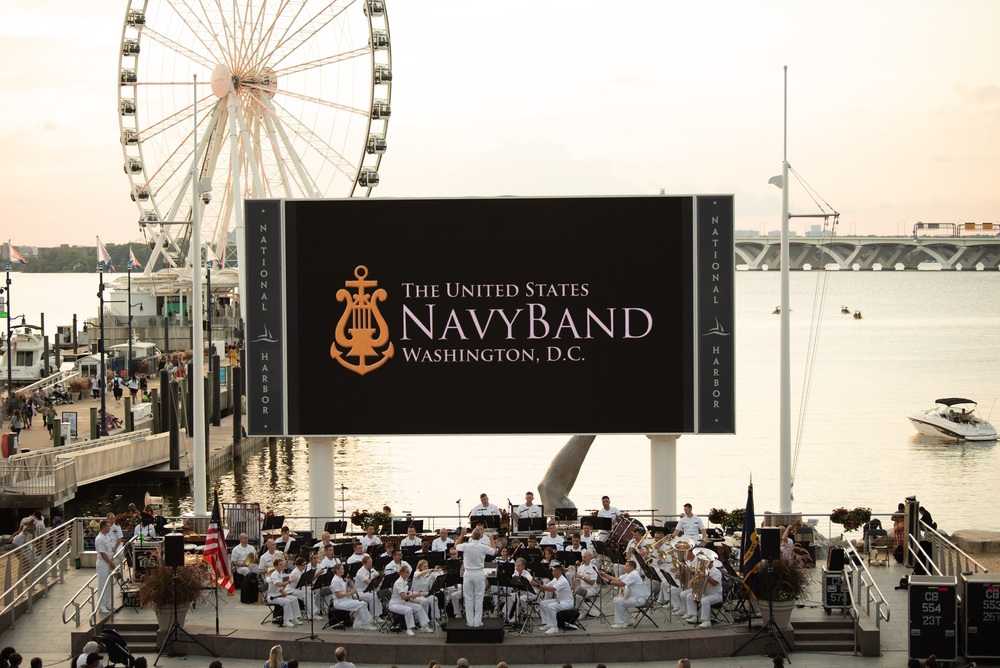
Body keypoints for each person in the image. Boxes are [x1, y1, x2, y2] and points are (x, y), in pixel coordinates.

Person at [455, 526, 496, 626]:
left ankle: (470, 621)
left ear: (472, 537)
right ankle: (477, 622)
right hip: (479, 573)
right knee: (478, 597)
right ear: (480, 536)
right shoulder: (483, 546)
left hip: (468, 573)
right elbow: (494, 551)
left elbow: (456, 546)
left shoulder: (466, 545)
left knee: (468, 598)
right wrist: (491, 539)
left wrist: (461, 535)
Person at [388, 562, 433, 635]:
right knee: (408, 610)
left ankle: (424, 626)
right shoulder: (399, 582)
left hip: (402, 603)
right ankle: (409, 629)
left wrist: (413, 595)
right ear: (402, 573)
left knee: (418, 607)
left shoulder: (404, 581)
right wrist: (415, 595)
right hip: (394, 604)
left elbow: (405, 595)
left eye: (409, 572)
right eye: (407, 572)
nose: (409, 574)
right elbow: (403, 597)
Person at [327, 563, 376, 630]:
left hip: (344, 600)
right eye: (341, 569)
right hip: (339, 602)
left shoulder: (340, 578)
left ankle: (359, 623)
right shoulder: (335, 580)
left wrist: (350, 588)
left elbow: (343, 591)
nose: (343, 570)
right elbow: (338, 595)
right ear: (337, 570)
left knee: (363, 603)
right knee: (361, 604)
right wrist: (351, 593)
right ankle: (365, 623)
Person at [601, 559, 648, 628]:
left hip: (638, 599)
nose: (624, 567)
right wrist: (604, 574)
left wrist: (608, 581)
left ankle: (621, 623)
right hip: (633, 597)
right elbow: (617, 579)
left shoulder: (633, 574)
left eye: (626, 566)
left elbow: (621, 584)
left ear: (631, 567)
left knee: (619, 601)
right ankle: (630, 619)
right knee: (615, 599)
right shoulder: (628, 574)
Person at [681, 558, 723, 628]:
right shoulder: (702, 571)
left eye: (707, 562)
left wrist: (706, 577)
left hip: (716, 595)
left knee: (704, 600)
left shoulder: (716, 571)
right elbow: (693, 584)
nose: (704, 563)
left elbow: (715, 583)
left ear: (711, 562)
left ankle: (707, 621)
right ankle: (694, 616)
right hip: (706, 593)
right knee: (690, 596)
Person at [535, 562, 574, 634]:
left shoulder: (563, 581)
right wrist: (537, 585)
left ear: (559, 572)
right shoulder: (555, 579)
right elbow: (547, 586)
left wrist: (537, 586)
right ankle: (548, 623)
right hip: (560, 600)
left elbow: (550, 589)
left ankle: (554, 627)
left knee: (551, 606)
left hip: (567, 602)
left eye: (554, 571)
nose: (552, 572)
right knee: (543, 603)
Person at [265, 557, 301, 628]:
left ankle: (294, 618)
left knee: (294, 599)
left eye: (282, 564)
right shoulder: (274, 574)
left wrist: (284, 593)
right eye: (280, 564)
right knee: (287, 602)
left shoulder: (280, 573)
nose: (282, 566)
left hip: (279, 594)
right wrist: (289, 581)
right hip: (272, 597)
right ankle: (286, 621)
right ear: (276, 566)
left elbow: (279, 587)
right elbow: (278, 584)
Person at [95, 520, 114, 614]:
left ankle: (107, 602)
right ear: (103, 528)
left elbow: (109, 550)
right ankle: (101, 605)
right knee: (102, 584)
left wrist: (112, 559)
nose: (109, 528)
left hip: (108, 561)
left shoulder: (106, 537)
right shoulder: (99, 539)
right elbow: (103, 553)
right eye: (107, 526)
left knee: (108, 583)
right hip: (103, 563)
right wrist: (111, 562)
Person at [573, 550, 600, 615]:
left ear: (590, 558)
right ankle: (574, 611)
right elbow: (577, 580)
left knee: (578, 596)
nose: (583, 559)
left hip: (590, 589)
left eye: (585, 557)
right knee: (572, 593)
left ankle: (581, 612)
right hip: (582, 588)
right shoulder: (580, 568)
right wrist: (573, 586)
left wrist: (582, 577)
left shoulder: (593, 568)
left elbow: (592, 582)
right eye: (583, 557)